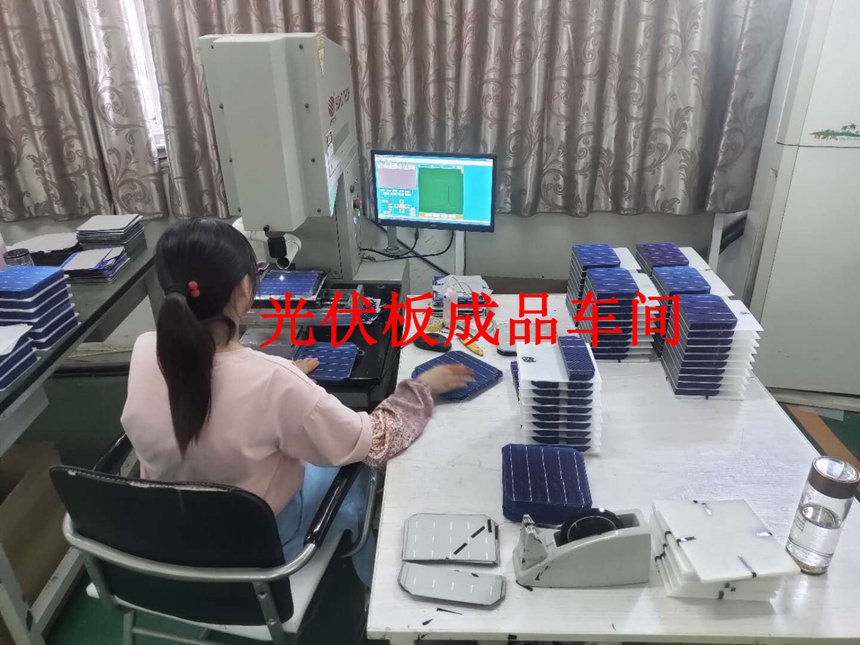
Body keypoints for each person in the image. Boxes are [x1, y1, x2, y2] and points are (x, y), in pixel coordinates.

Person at [121, 219, 473, 585]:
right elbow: (377, 439)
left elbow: (219, 399)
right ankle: (372, 580)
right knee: (358, 465)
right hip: (261, 546)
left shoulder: (145, 350)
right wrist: (421, 388)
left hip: (171, 539)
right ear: (245, 287)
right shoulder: (274, 382)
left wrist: (285, 378)